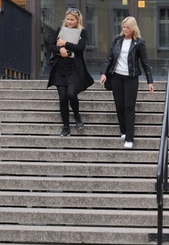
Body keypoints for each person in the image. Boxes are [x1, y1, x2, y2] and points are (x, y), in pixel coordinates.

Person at [99, 16, 154, 149]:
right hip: (117, 76)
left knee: (129, 106)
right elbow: (110, 57)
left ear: (133, 28)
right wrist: (104, 73)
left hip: (131, 78)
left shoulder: (139, 43)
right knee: (119, 105)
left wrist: (150, 81)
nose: (124, 29)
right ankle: (123, 130)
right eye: (123, 27)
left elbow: (145, 62)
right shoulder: (117, 40)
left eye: (127, 27)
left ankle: (129, 138)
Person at [46, 8, 94, 137]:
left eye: (72, 19)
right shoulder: (59, 30)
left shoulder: (82, 32)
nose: (69, 22)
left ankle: (77, 114)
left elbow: (80, 48)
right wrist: (59, 50)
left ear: (77, 20)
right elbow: (50, 45)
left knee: (71, 94)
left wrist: (65, 44)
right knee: (62, 98)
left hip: (74, 68)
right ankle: (66, 126)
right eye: (67, 19)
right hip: (60, 68)